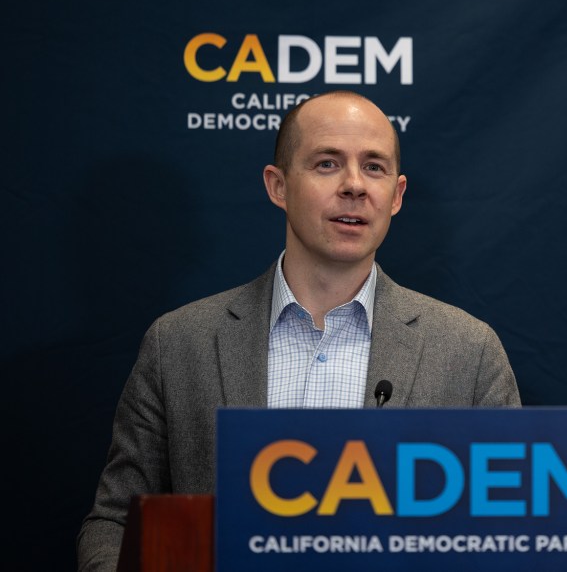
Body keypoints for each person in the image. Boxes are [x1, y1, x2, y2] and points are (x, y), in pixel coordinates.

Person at [77, 90, 520, 571]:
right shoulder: (179, 344)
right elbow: (115, 522)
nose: (354, 185)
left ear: (396, 195)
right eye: (328, 163)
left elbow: (510, 533)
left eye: (374, 167)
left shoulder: (469, 353)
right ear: (278, 185)